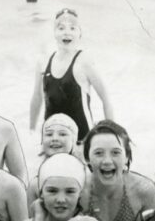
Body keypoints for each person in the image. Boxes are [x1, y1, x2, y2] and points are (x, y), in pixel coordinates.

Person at [29, 8, 113, 140]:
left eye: (73, 28)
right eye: (61, 28)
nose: (66, 33)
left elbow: (106, 99)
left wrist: (111, 133)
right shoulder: (43, 62)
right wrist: (32, 130)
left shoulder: (84, 61)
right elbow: (37, 98)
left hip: (82, 139)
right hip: (52, 139)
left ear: (80, 33)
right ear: (54, 33)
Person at [21, 152, 85, 221]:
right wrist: (39, 220)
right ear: (41, 193)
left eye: (70, 191)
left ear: (80, 195)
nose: (61, 199)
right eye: (52, 191)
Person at [26, 113, 82, 206]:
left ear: (74, 140)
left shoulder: (85, 179)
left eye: (62, 134)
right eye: (49, 134)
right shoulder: (35, 184)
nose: (55, 138)